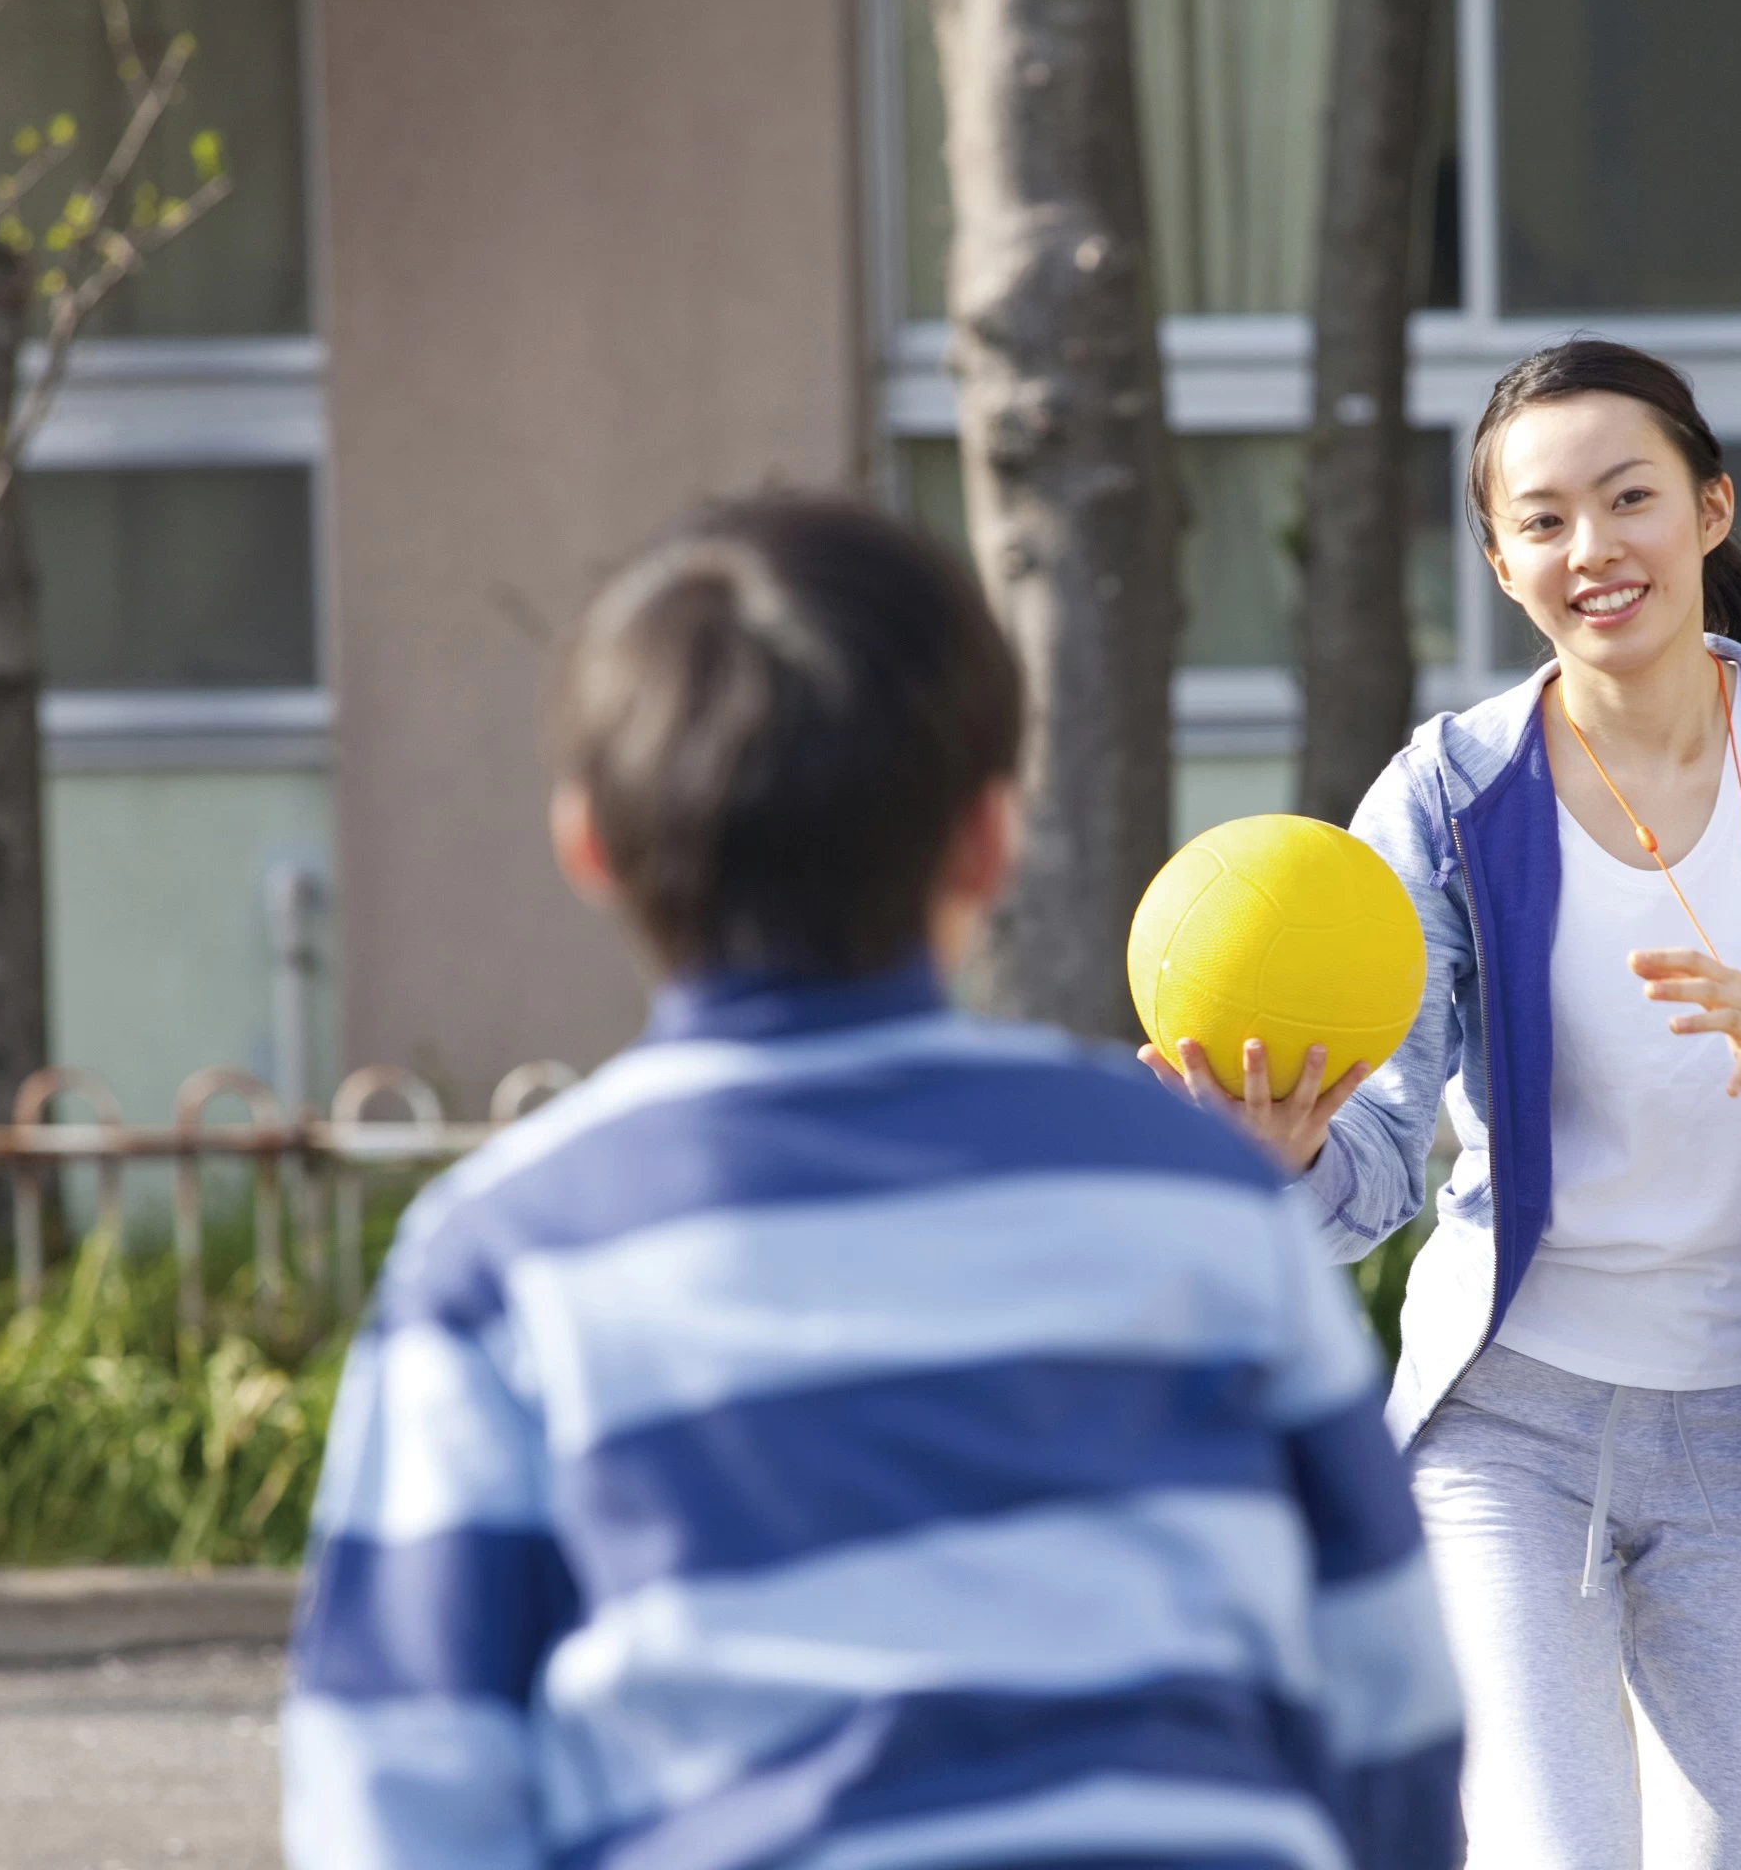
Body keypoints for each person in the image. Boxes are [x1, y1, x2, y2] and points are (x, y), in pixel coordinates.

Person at [280, 494, 1463, 1870]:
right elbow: (1385, 1678)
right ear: (989, 840)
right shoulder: (1201, 1198)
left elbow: (404, 1778)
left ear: (587, 842)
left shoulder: (506, 1254)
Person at [1145, 339, 1741, 1868]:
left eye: (1629, 498)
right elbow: (1378, 1163)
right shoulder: (1444, 797)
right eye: (1543, 520)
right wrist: (1284, 1163)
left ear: (1710, 509)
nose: (1592, 548)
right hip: (1513, 1427)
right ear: (1501, 564)